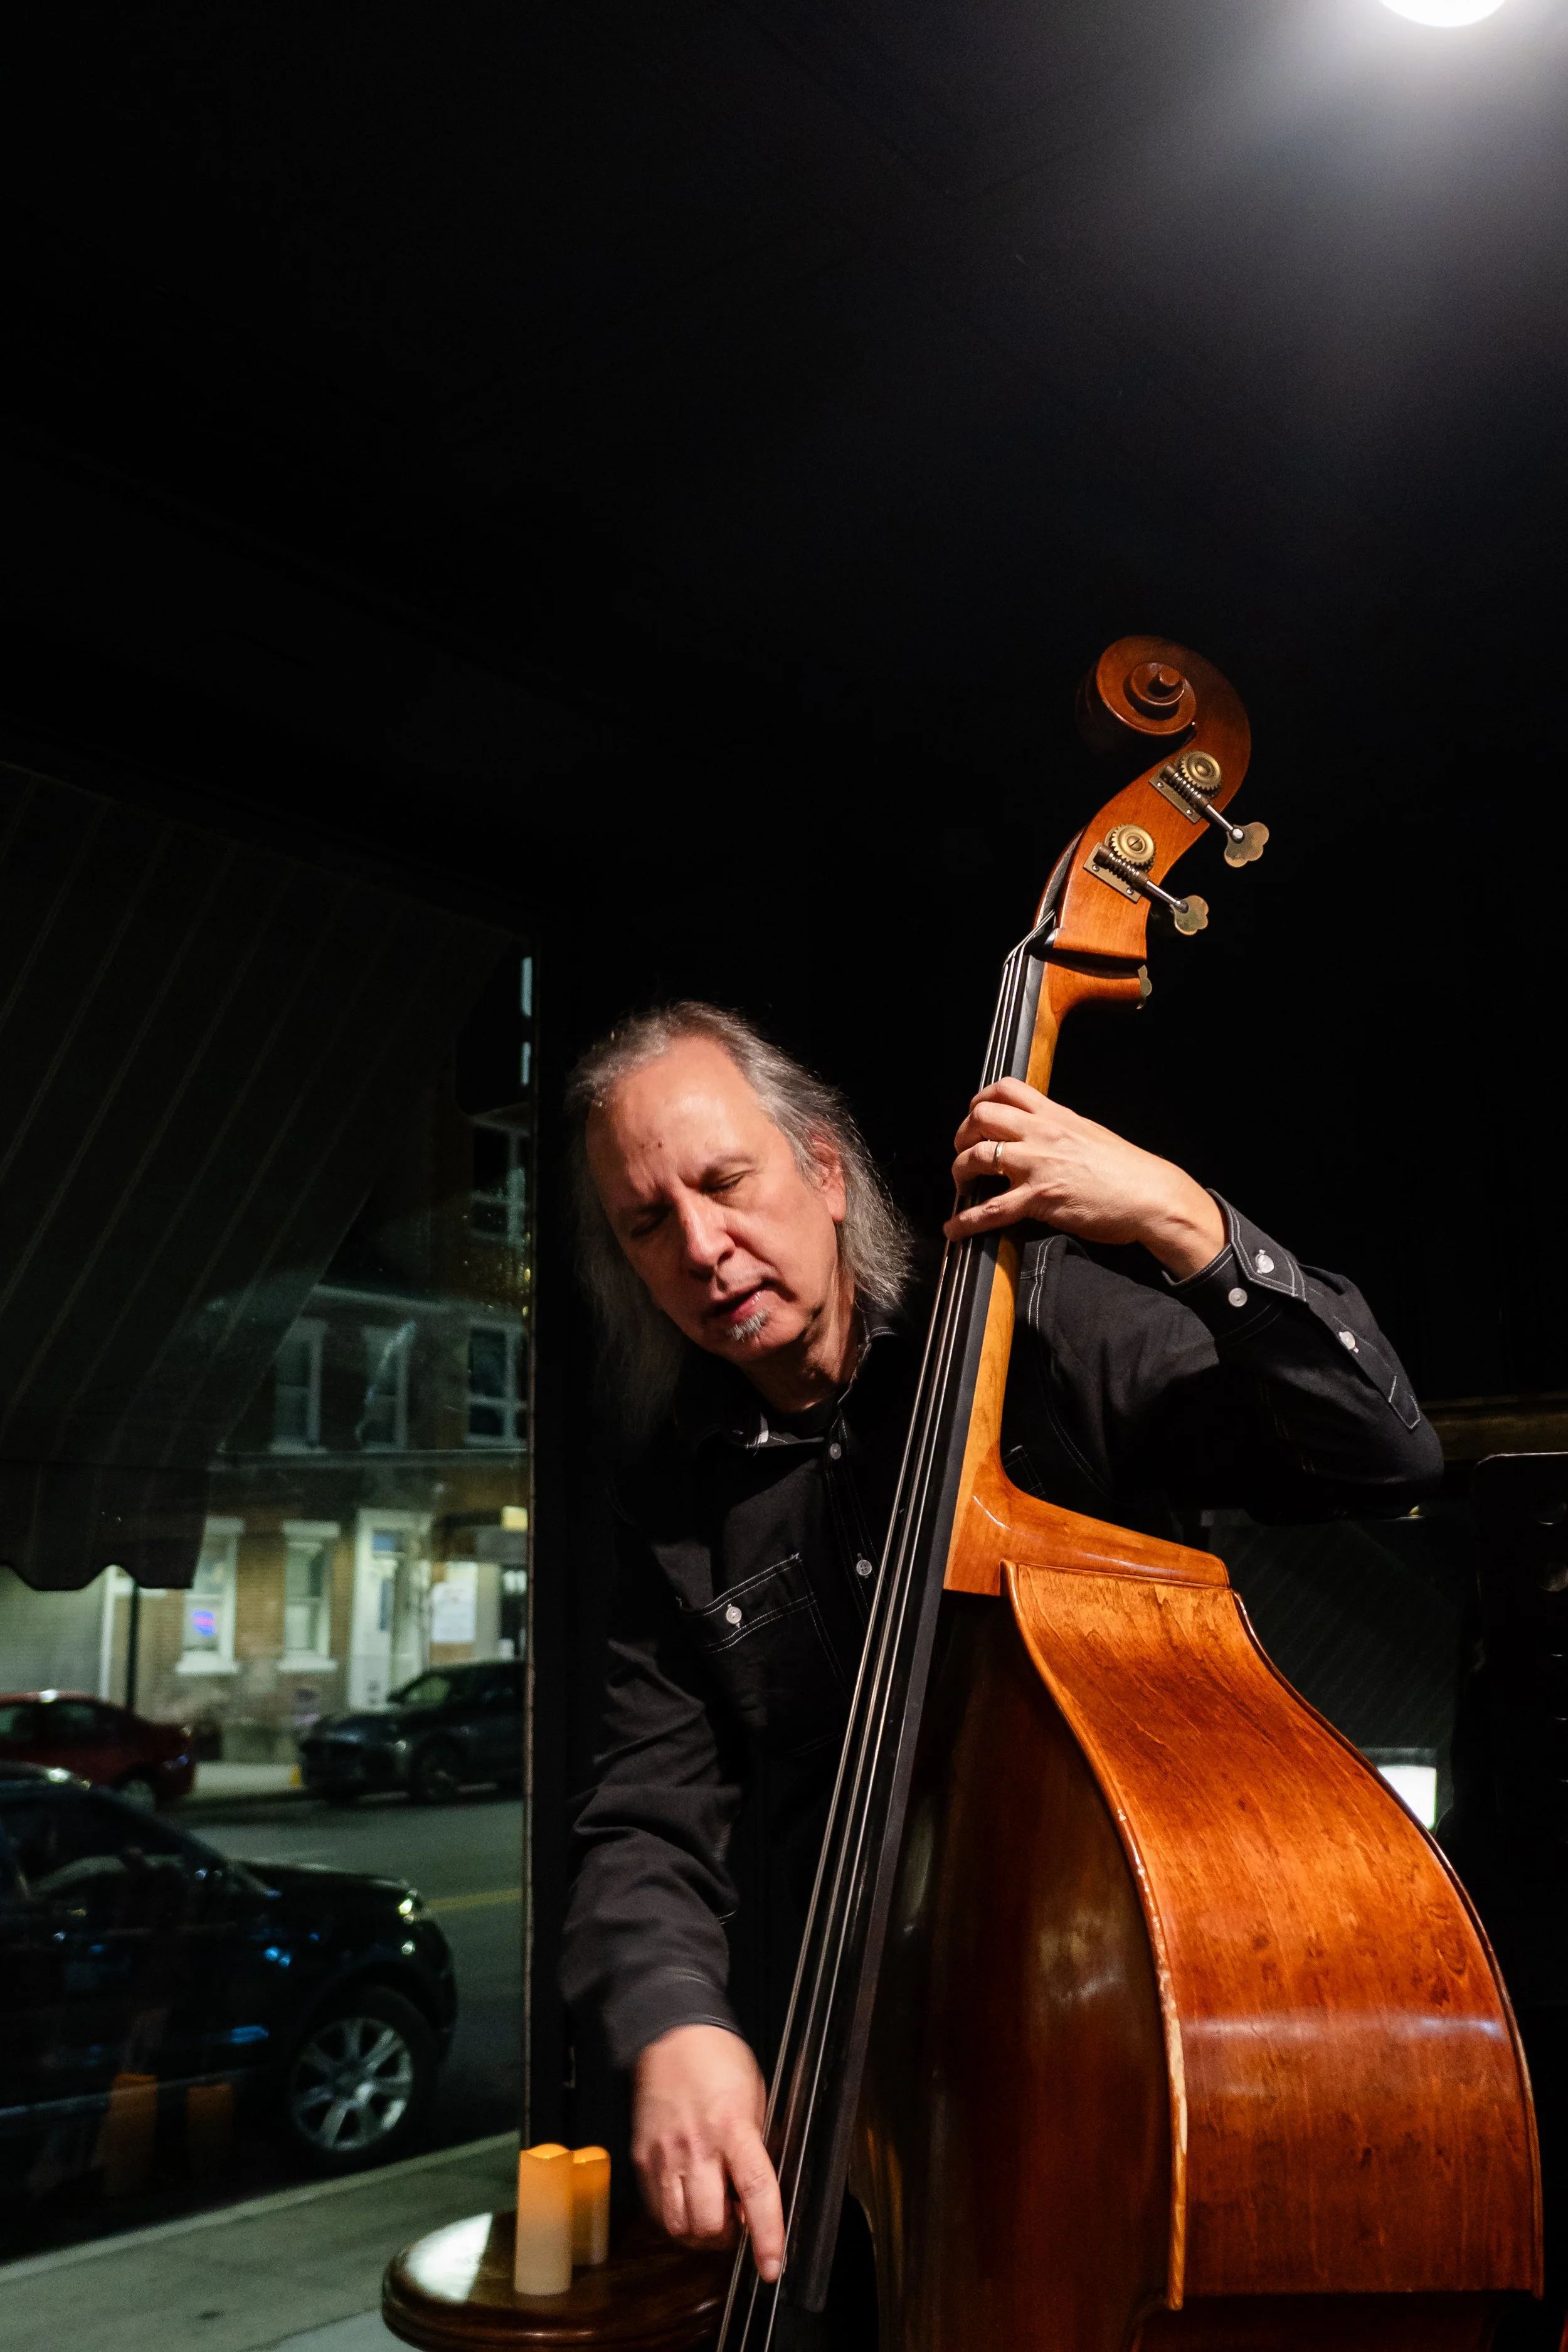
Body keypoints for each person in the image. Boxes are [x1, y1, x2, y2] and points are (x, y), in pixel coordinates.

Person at [558, 1000, 1440, 2297]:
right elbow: (642, 1812)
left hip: (1129, 2041)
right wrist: (674, 2022)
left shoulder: (1032, 1332)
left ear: (822, 1167)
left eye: (724, 1181)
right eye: (648, 1223)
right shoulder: (674, 1489)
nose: (700, 1244)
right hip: (863, 2080)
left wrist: (1181, 1222)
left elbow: (1380, 1454)